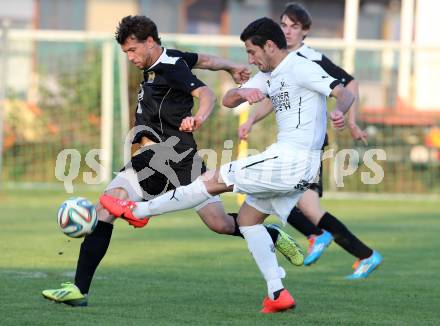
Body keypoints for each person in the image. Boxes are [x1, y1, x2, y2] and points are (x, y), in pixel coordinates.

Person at [41, 15, 302, 307]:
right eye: (126, 52)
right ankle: (268, 233)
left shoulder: (171, 67)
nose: (130, 57)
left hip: (173, 155)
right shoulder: (171, 58)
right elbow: (205, 60)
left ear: (149, 42)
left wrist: (200, 117)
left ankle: (79, 288)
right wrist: (231, 66)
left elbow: (205, 93)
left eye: (132, 50)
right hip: (162, 157)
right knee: (218, 223)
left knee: (111, 205)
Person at [100, 17, 355, 313]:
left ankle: (139, 210)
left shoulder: (302, 67)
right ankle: (277, 293)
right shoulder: (269, 72)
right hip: (292, 166)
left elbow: (344, 92)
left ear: (270, 46)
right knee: (247, 221)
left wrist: (340, 112)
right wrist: (242, 92)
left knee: (211, 181)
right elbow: (228, 100)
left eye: (251, 51)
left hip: (293, 159)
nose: (249, 59)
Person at [237, 3, 382, 279]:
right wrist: (251, 120)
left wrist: (348, 119)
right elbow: (274, 97)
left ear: (305, 32)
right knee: (302, 205)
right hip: (293, 147)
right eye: (284, 25)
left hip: (307, 146)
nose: (288, 31)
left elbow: (349, 85)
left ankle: (330, 241)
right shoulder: (276, 61)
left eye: (294, 26)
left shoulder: (309, 58)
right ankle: (362, 253)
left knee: (292, 201)